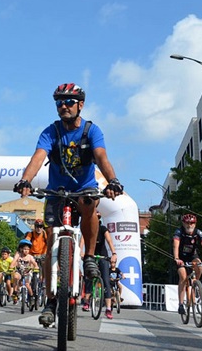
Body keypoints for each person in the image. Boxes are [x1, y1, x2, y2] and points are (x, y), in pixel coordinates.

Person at [13, 83, 124, 326]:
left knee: (90, 204)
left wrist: (113, 180)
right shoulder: (51, 131)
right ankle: (50, 302)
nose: (63, 106)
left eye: (69, 102)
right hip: (57, 191)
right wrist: (25, 180)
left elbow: (101, 156)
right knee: (51, 243)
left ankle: (90, 257)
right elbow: (38, 156)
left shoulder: (91, 130)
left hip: (83, 189)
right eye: (59, 103)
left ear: (80, 105)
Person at [173, 213, 202, 315]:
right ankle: (181, 304)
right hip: (181, 256)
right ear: (183, 223)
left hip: (192, 255)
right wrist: (177, 258)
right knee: (183, 276)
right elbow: (175, 246)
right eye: (187, 223)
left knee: (199, 264)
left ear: (195, 224)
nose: (189, 225)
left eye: (192, 223)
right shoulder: (179, 232)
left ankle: (195, 284)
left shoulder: (198, 233)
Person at [82, 213, 117, 319]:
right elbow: (82, 240)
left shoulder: (103, 229)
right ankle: (87, 302)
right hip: (90, 255)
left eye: (97, 218)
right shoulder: (88, 228)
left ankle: (108, 308)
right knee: (88, 278)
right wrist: (81, 252)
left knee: (106, 281)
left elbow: (109, 241)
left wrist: (114, 253)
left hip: (102, 256)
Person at [11, 239, 39, 305]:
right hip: (19, 271)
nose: (26, 251)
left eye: (28, 249)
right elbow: (13, 261)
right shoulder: (18, 255)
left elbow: (35, 264)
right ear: (21, 249)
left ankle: (31, 296)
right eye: (24, 249)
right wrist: (11, 267)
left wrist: (36, 268)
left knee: (27, 284)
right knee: (15, 277)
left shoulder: (30, 257)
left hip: (27, 272)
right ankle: (15, 292)